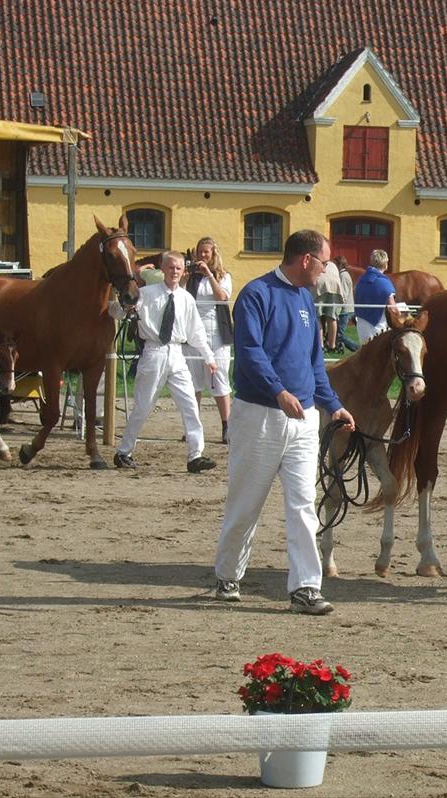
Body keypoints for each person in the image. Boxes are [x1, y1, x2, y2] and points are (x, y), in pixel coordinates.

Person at [212, 230, 355, 615]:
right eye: (324, 263)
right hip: (259, 415)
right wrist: (278, 391)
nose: (326, 271)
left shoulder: (306, 299)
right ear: (306, 260)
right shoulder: (256, 295)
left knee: (303, 504)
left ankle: (306, 587)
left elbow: (313, 364)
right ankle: (228, 574)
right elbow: (249, 352)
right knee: (246, 502)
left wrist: (333, 405)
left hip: (304, 420)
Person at [112, 251, 217, 473]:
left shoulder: (186, 298)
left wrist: (208, 356)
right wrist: (124, 305)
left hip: (177, 354)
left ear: (183, 270)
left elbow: (196, 331)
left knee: (190, 404)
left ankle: (195, 454)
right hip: (154, 352)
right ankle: (124, 451)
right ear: (163, 269)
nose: (175, 272)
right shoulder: (146, 293)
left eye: (179, 268)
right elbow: (118, 313)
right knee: (143, 405)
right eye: (171, 268)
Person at [184, 237, 233, 445]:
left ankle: (226, 426)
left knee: (219, 380)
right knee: (192, 382)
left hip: (215, 333)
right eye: (200, 252)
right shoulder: (191, 278)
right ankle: (192, 428)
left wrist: (209, 275)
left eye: (206, 252)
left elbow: (222, 297)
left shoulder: (224, 276)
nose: (202, 255)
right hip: (193, 333)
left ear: (214, 254)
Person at [353, 249, 397, 343]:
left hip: (361, 324)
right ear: (385, 264)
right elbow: (393, 309)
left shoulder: (361, 280)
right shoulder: (384, 283)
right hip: (378, 325)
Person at [314, 256, 343, 354]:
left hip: (319, 286)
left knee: (317, 317)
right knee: (332, 317)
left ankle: (320, 346)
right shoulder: (333, 265)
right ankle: (332, 345)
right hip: (335, 287)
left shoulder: (317, 262)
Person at [333, 255, 359, 353]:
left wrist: (338, 308)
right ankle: (339, 348)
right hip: (347, 308)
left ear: (339, 265)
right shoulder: (345, 275)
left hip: (345, 310)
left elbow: (343, 294)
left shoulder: (343, 276)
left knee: (340, 335)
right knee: (338, 333)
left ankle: (357, 348)